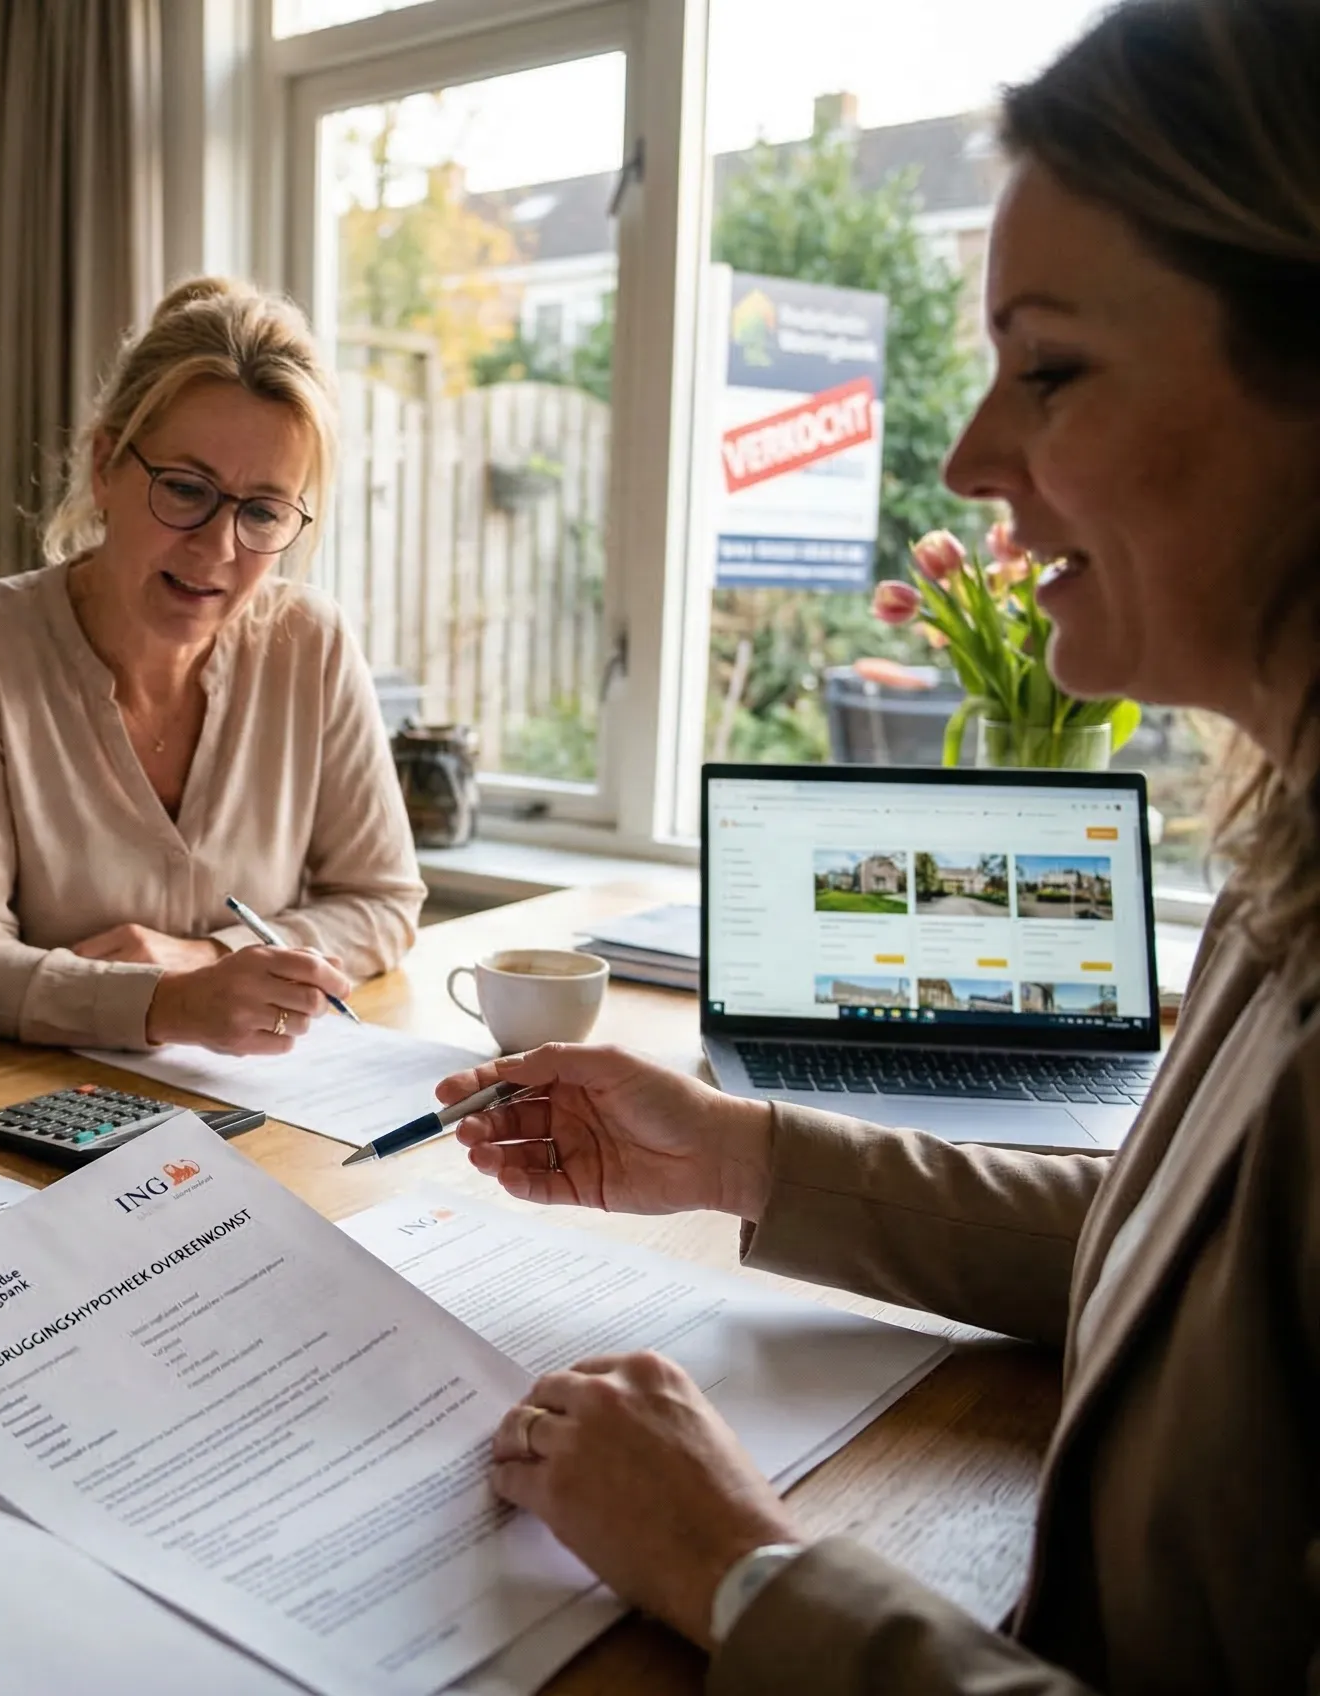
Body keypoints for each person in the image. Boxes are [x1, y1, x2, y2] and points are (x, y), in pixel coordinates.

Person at [437, 2, 1320, 1686]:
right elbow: (1165, 1265)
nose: (969, 453)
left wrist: (746, 1571)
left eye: (1047, 367)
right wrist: (739, 1154)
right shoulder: (1282, 864)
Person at [0, 279, 424, 1056]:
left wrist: (212, 959)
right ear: (105, 466)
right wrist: (166, 1005)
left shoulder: (312, 643)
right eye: (184, 489)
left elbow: (383, 901)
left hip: (265, 1106)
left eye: (264, 511)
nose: (216, 550)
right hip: (37, 1118)